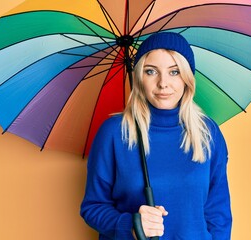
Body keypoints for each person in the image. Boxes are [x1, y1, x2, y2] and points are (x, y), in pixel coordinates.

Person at [80, 32, 232, 239]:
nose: (163, 83)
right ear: (139, 77)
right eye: (151, 71)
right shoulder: (114, 132)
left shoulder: (208, 132)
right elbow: (93, 207)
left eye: (174, 72)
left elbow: (219, 214)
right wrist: (131, 225)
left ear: (187, 78)